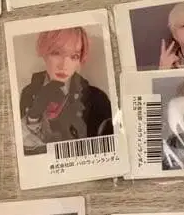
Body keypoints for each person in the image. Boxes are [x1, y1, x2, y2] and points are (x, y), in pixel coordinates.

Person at [19, 27, 114, 155]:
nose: (64, 65)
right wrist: (34, 115)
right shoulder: (29, 93)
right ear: (44, 53)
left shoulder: (97, 99)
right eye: (56, 53)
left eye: (74, 56)